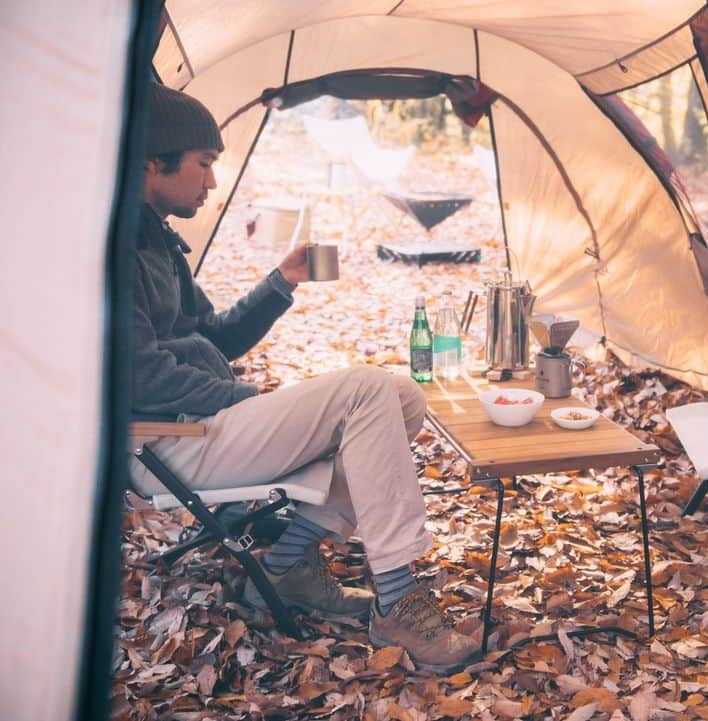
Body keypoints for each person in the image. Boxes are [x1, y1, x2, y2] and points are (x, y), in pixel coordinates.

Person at [128, 82, 480, 674]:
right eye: (204, 165)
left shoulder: (157, 240)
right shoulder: (112, 252)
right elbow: (142, 377)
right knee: (368, 388)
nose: (211, 183)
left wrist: (281, 281)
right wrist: (248, 402)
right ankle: (398, 596)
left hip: (203, 421)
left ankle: (287, 566)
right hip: (168, 439)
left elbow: (213, 337)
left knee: (401, 397)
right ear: (152, 163)